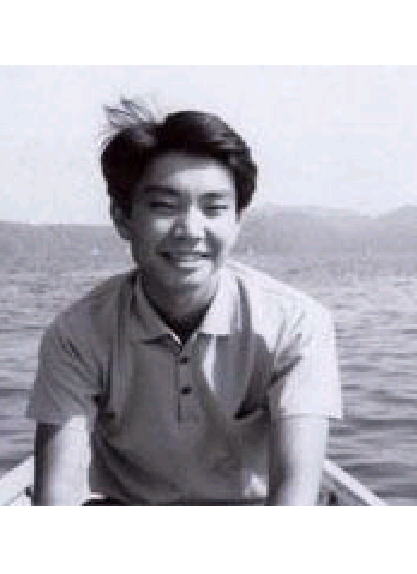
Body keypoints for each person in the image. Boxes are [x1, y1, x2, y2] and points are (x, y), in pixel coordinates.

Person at [27, 99, 342, 505]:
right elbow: (58, 494)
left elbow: (295, 493)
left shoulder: (296, 324)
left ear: (237, 221)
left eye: (214, 208)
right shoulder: (77, 335)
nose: (191, 230)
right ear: (123, 218)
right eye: (164, 206)